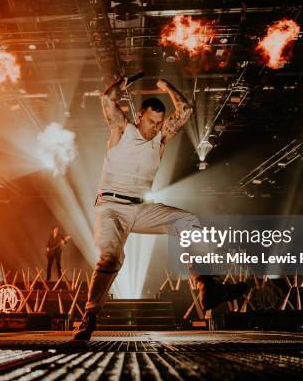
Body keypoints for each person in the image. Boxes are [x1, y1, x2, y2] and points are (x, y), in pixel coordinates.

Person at [72, 75, 247, 340]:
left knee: (186, 221)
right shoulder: (122, 130)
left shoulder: (161, 139)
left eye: (158, 123)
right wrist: (125, 82)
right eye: (150, 121)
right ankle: (90, 316)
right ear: (139, 116)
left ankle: (205, 284)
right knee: (112, 257)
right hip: (110, 207)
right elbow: (106, 99)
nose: (154, 127)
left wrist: (167, 86)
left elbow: (185, 110)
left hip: (140, 209)